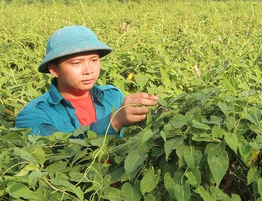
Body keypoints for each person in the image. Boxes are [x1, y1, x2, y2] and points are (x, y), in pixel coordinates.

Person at [15, 25, 159, 136]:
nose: (89, 70)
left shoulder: (112, 96)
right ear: (54, 70)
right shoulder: (33, 115)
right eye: (77, 63)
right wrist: (113, 122)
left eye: (94, 60)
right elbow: (59, 150)